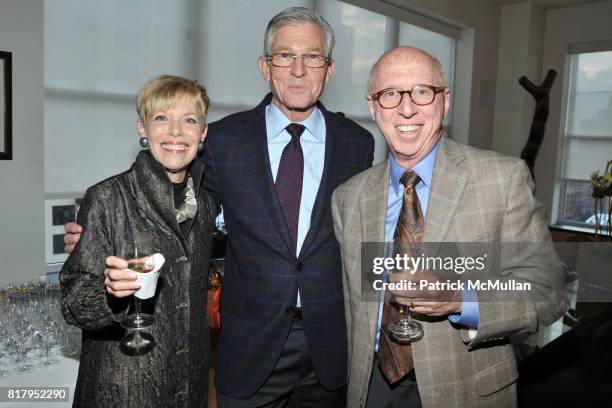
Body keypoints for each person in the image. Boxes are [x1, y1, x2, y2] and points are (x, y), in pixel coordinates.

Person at [64, 7, 375, 407]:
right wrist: (100, 231)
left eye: (312, 56)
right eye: (284, 56)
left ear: (328, 69)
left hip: (330, 349)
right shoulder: (224, 140)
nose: (298, 69)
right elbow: (170, 192)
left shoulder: (357, 144)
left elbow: (367, 231)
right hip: (249, 350)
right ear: (265, 66)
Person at [331, 46, 568, 408]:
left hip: (467, 392)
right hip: (369, 389)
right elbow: (355, 306)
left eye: (422, 92)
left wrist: (461, 299)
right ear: (373, 106)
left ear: (445, 100)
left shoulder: (502, 179)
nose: (406, 109)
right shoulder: (348, 198)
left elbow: (549, 290)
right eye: (390, 94)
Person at [60, 75, 218, 408]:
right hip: (123, 388)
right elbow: (73, 302)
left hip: (189, 386)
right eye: (161, 118)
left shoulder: (206, 205)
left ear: (202, 133)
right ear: (142, 129)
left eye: (189, 120)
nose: (175, 131)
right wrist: (109, 294)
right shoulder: (106, 198)